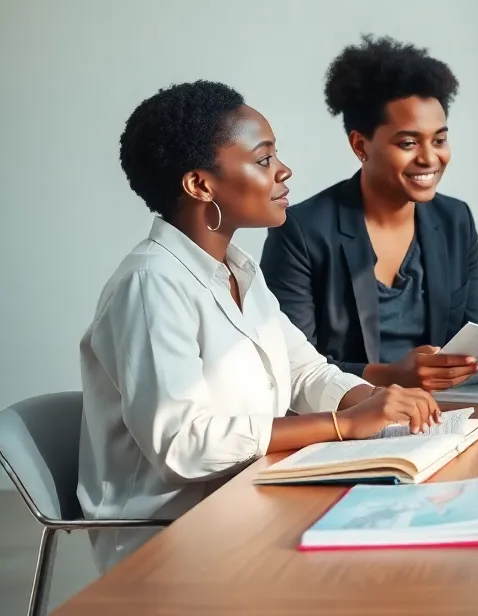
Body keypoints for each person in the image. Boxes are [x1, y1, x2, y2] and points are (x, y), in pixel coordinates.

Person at [79, 80, 442, 573]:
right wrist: (343, 424)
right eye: (264, 158)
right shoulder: (151, 285)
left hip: (251, 502)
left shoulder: (239, 269)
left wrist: (377, 404)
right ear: (200, 185)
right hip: (176, 543)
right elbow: (183, 445)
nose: (284, 170)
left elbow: (306, 373)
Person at [259, 35, 478, 392]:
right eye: (408, 143)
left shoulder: (456, 220)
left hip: (447, 417)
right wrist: (391, 377)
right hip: (346, 425)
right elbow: (289, 368)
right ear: (360, 145)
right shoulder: (301, 232)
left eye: (439, 140)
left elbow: (476, 343)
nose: (430, 158)